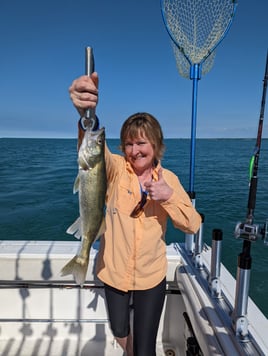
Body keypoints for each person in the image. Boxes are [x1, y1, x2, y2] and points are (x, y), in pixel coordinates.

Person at [69, 72, 201, 356]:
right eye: (129, 143)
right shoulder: (116, 170)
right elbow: (91, 151)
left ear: (155, 146)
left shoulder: (170, 180)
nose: (134, 150)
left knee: (145, 349)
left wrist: (168, 198)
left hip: (150, 278)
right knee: (119, 332)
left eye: (142, 143)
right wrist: (86, 116)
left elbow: (192, 224)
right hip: (114, 274)